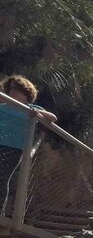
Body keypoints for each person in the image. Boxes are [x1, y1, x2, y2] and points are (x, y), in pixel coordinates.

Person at [0, 75, 57, 215]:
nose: (13, 91)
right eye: (11, 88)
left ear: (26, 92)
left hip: (14, 147)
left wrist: (37, 113)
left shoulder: (31, 109)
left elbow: (52, 118)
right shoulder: (2, 106)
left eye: (17, 89)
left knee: (2, 177)